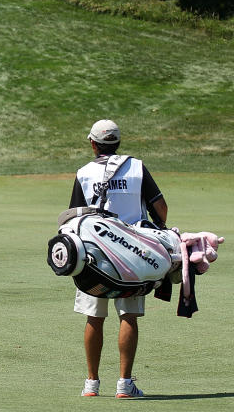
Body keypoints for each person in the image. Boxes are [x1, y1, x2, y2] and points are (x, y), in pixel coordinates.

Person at [69, 119, 168, 399]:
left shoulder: (84, 172)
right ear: (118, 142)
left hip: (93, 256)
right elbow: (160, 207)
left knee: (94, 317)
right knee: (129, 316)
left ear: (92, 143)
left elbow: (74, 216)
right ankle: (125, 384)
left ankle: (91, 384)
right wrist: (158, 236)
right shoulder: (136, 167)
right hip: (132, 257)